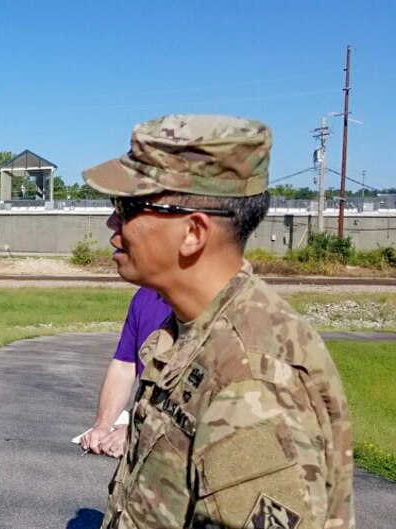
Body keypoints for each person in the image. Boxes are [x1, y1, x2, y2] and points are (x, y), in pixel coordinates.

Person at [83, 115, 354, 529]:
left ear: (193, 232)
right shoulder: (187, 332)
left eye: (127, 207)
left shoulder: (253, 380)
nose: (112, 224)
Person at [80, 287, 171, 458]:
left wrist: (141, 432)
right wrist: (102, 426)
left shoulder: (211, 299)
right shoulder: (146, 296)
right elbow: (124, 365)